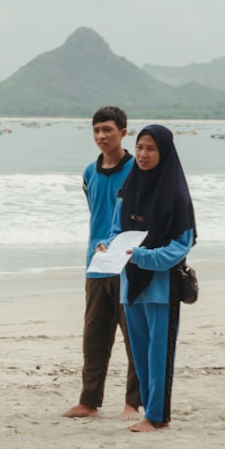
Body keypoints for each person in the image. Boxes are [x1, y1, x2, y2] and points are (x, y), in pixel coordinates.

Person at [113, 124, 196, 433]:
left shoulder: (176, 196)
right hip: (130, 285)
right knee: (140, 353)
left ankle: (158, 416)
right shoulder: (129, 188)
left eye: (151, 149)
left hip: (162, 288)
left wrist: (141, 256)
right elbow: (116, 230)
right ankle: (151, 411)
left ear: (164, 152)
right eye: (139, 148)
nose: (142, 154)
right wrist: (107, 247)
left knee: (159, 354)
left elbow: (180, 246)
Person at [64, 106, 142, 420]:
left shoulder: (138, 171)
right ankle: (89, 401)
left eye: (108, 130)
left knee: (133, 335)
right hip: (95, 264)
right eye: (96, 130)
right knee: (94, 334)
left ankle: (133, 403)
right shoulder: (88, 172)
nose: (101, 136)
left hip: (129, 263)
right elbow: (96, 212)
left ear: (123, 132)